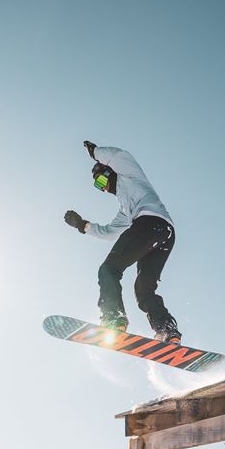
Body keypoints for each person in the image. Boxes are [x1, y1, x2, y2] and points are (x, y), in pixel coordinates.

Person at [64, 140, 181, 343]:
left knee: (109, 270)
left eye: (100, 181)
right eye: (98, 187)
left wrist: (96, 152)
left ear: (109, 172)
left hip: (150, 223)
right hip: (164, 234)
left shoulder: (130, 174)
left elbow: (118, 156)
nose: (103, 188)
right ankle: (167, 329)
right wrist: (82, 225)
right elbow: (110, 232)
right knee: (144, 289)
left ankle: (113, 317)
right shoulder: (125, 210)